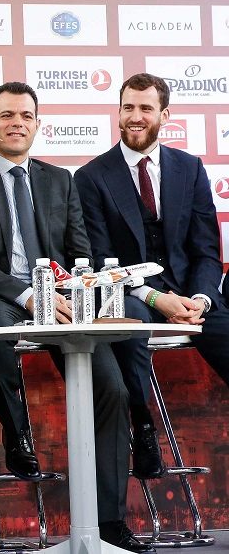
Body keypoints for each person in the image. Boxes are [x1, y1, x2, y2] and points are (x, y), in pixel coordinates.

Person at [0, 82, 150, 552]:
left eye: (26, 116)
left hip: (62, 297)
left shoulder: (60, 180)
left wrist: (74, 293)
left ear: (38, 124)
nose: (17, 123)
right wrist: (27, 296)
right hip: (1, 293)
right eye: (7, 115)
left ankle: (109, 522)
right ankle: (18, 436)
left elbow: (80, 251)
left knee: (111, 388)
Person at [75, 72, 229, 479]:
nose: (136, 116)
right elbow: (98, 259)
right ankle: (142, 427)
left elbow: (206, 250)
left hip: (190, 294)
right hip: (130, 292)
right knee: (131, 324)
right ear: (118, 112)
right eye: (128, 107)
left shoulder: (190, 168)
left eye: (146, 108)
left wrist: (201, 299)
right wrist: (154, 297)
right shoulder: (91, 177)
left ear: (164, 115)